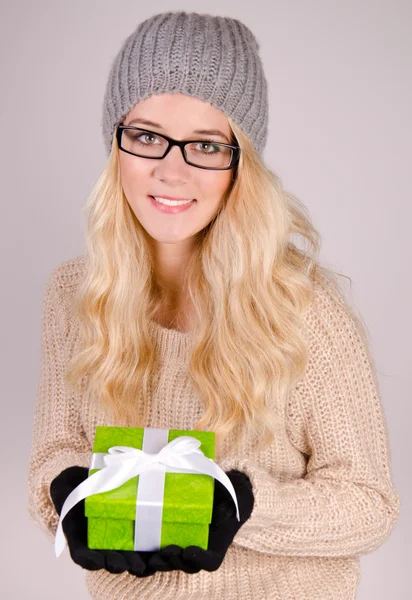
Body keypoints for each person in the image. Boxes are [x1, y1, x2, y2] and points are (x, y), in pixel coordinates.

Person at [27, 10, 400, 600]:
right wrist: (68, 496)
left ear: (239, 163)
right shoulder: (73, 293)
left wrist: (243, 504)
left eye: (204, 145)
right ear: (115, 143)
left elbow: (369, 505)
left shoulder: (303, 310)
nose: (171, 170)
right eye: (147, 136)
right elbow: (56, 454)